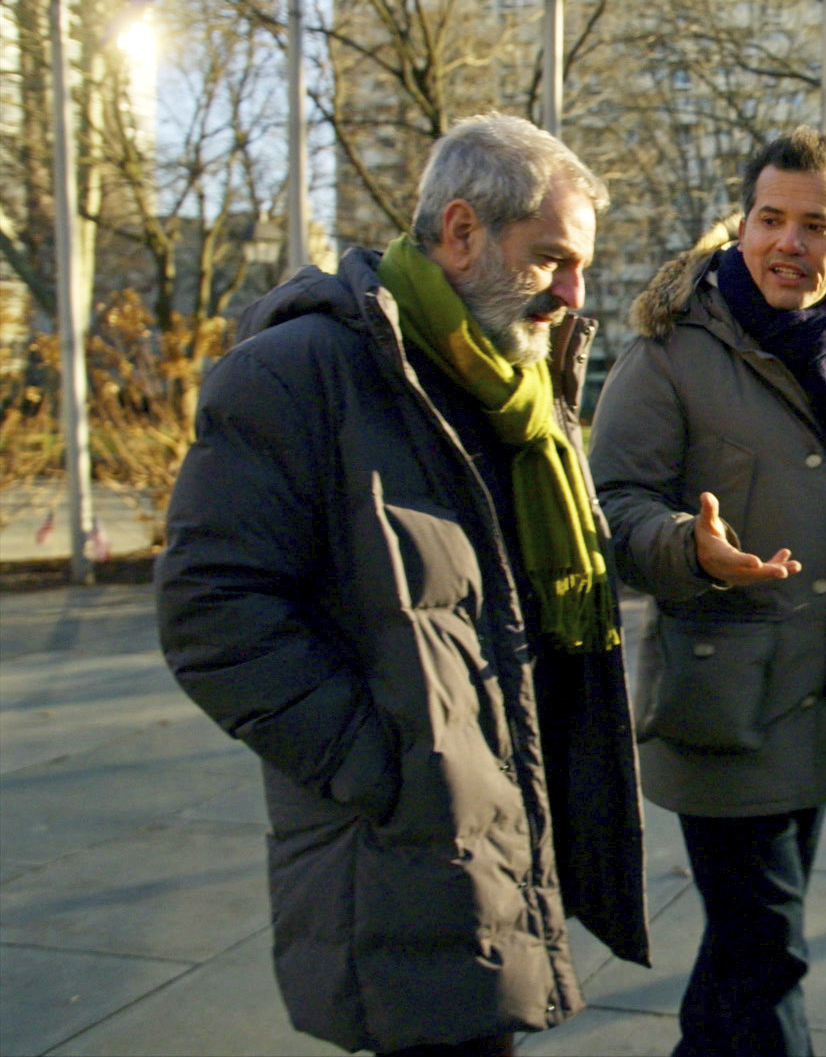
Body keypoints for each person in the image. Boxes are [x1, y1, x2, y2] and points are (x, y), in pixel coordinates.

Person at [155, 114, 647, 1056]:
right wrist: (386, 766)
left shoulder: (514, 389)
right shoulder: (298, 373)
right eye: (551, 260)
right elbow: (211, 612)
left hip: (498, 826)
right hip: (399, 842)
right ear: (460, 231)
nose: (575, 295)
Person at [588, 126, 826, 1057]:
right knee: (769, 954)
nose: (789, 242)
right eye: (770, 219)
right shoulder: (670, 351)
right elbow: (608, 506)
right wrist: (687, 549)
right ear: (740, 227)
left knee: (744, 957)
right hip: (722, 702)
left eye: (815, 225)